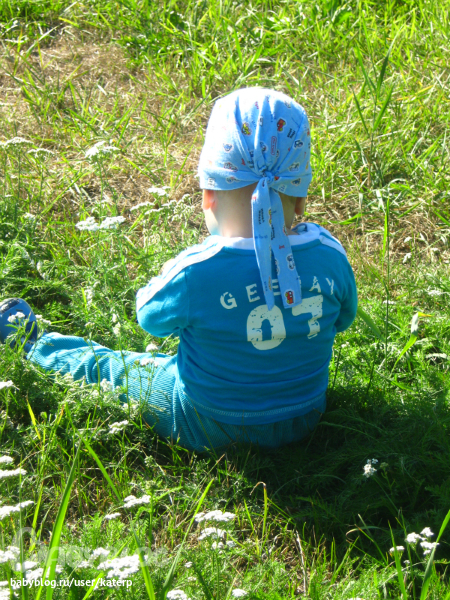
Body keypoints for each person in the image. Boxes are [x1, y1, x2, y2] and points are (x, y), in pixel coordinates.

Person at [0, 87, 357, 452]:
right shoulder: (329, 255)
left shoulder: (197, 270)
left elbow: (150, 318)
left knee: (118, 369)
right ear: (300, 200)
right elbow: (343, 319)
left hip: (208, 423)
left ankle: (33, 346)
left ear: (208, 194)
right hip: (304, 416)